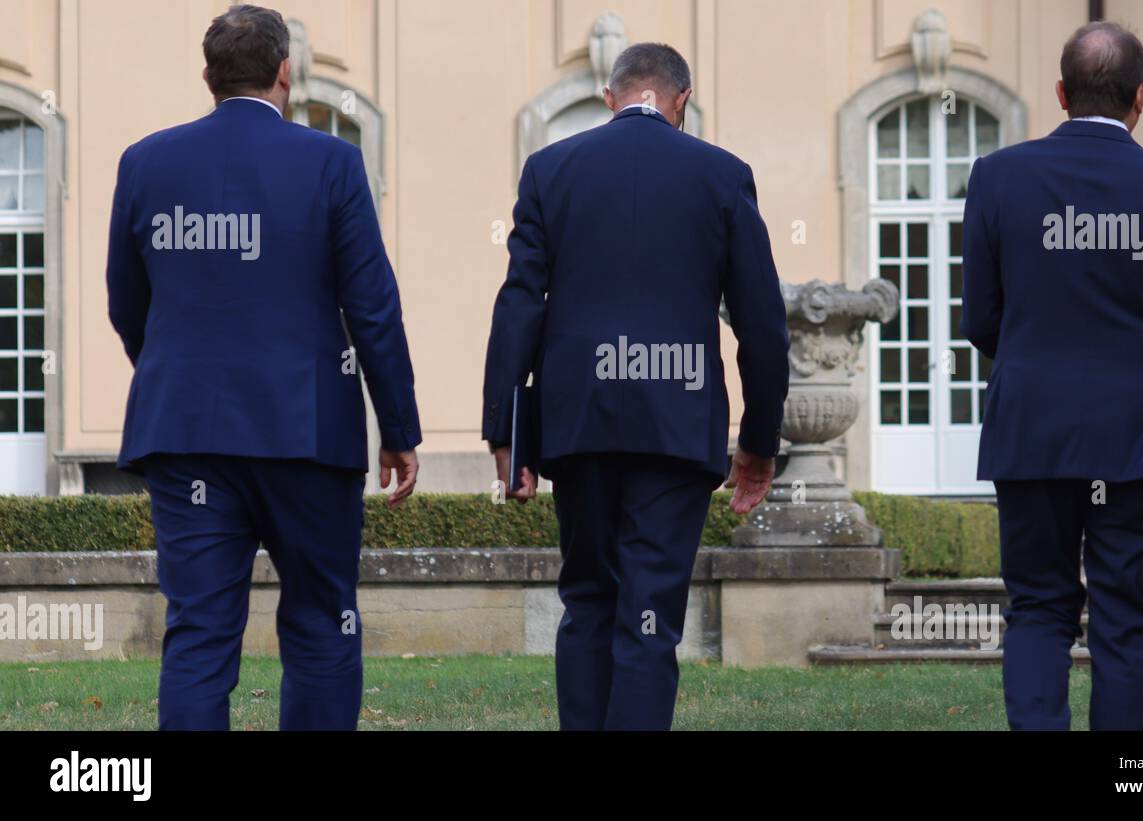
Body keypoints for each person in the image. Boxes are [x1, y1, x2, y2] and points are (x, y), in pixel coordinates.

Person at [106, 4, 421, 730]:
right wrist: (398, 427)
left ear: (209, 77)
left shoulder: (145, 161)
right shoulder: (332, 162)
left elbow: (128, 303)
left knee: (198, 636)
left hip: (185, 436)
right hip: (306, 435)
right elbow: (372, 306)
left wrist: (172, 373)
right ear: (286, 73)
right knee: (321, 626)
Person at [482, 42, 789, 730]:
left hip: (579, 420)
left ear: (609, 97)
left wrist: (506, 430)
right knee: (649, 616)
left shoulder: (550, 169)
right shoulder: (722, 175)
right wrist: (760, 442)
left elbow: (520, 303)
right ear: (681, 101)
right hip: (675, 426)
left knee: (587, 601)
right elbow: (762, 325)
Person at [961, 21, 1143, 730]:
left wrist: (1042, 345)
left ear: (1060, 92)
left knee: (1039, 609)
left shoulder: (996, 177)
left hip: (1032, 429)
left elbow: (981, 320)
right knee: (1124, 623)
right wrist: (1138, 341)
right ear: (1141, 97)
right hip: (1139, 436)